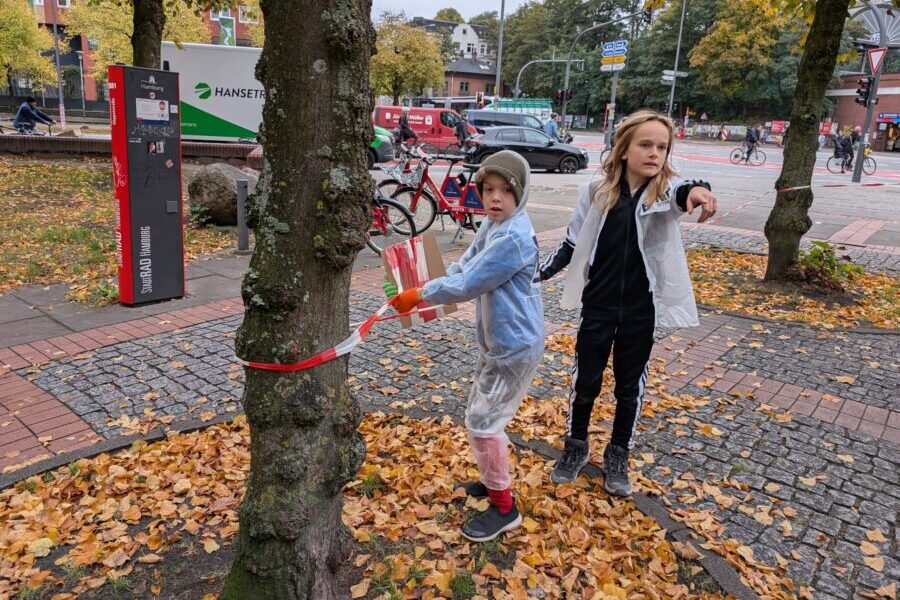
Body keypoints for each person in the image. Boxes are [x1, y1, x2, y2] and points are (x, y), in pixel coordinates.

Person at [539, 110, 717, 496]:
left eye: (662, 147)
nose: (654, 153)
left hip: (641, 310)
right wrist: (540, 273)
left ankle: (618, 453)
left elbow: (684, 191)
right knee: (586, 382)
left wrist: (699, 192)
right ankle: (576, 445)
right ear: (623, 149)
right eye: (645, 145)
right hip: (598, 306)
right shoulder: (596, 192)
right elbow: (572, 242)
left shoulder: (663, 194)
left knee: (628, 387)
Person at [384, 151, 543, 541]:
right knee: (480, 414)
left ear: (520, 193)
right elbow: (465, 266)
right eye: (488, 189)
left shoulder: (513, 237)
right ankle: (491, 482)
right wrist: (422, 286)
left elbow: (471, 283)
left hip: (514, 346)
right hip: (499, 342)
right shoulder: (494, 224)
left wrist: (421, 294)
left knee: (483, 424)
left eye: (506, 191)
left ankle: (504, 508)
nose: (495, 198)